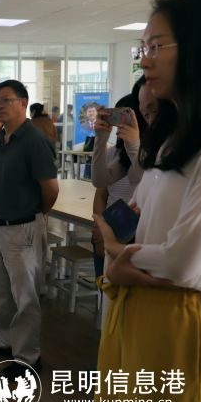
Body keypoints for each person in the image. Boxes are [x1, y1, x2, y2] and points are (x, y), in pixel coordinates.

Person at [91, 0, 201, 402]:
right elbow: (141, 210)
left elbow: (182, 261)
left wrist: (121, 257)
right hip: (139, 305)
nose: (144, 60)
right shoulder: (176, 139)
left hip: (174, 316)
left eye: (156, 46)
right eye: (143, 48)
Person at [0, 79, 58, 380]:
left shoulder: (34, 140)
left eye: (5, 100)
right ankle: (5, 340)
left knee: (25, 296)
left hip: (22, 227)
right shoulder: (1, 138)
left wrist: (33, 215)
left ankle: (28, 357)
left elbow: (50, 189)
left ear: (23, 103)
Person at [90, 78, 147, 277]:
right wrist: (100, 138)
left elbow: (146, 179)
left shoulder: (154, 152)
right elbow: (100, 181)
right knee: (106, 288)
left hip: (140, 235)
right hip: (116, 228)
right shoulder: (121, 152)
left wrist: (134, 145)